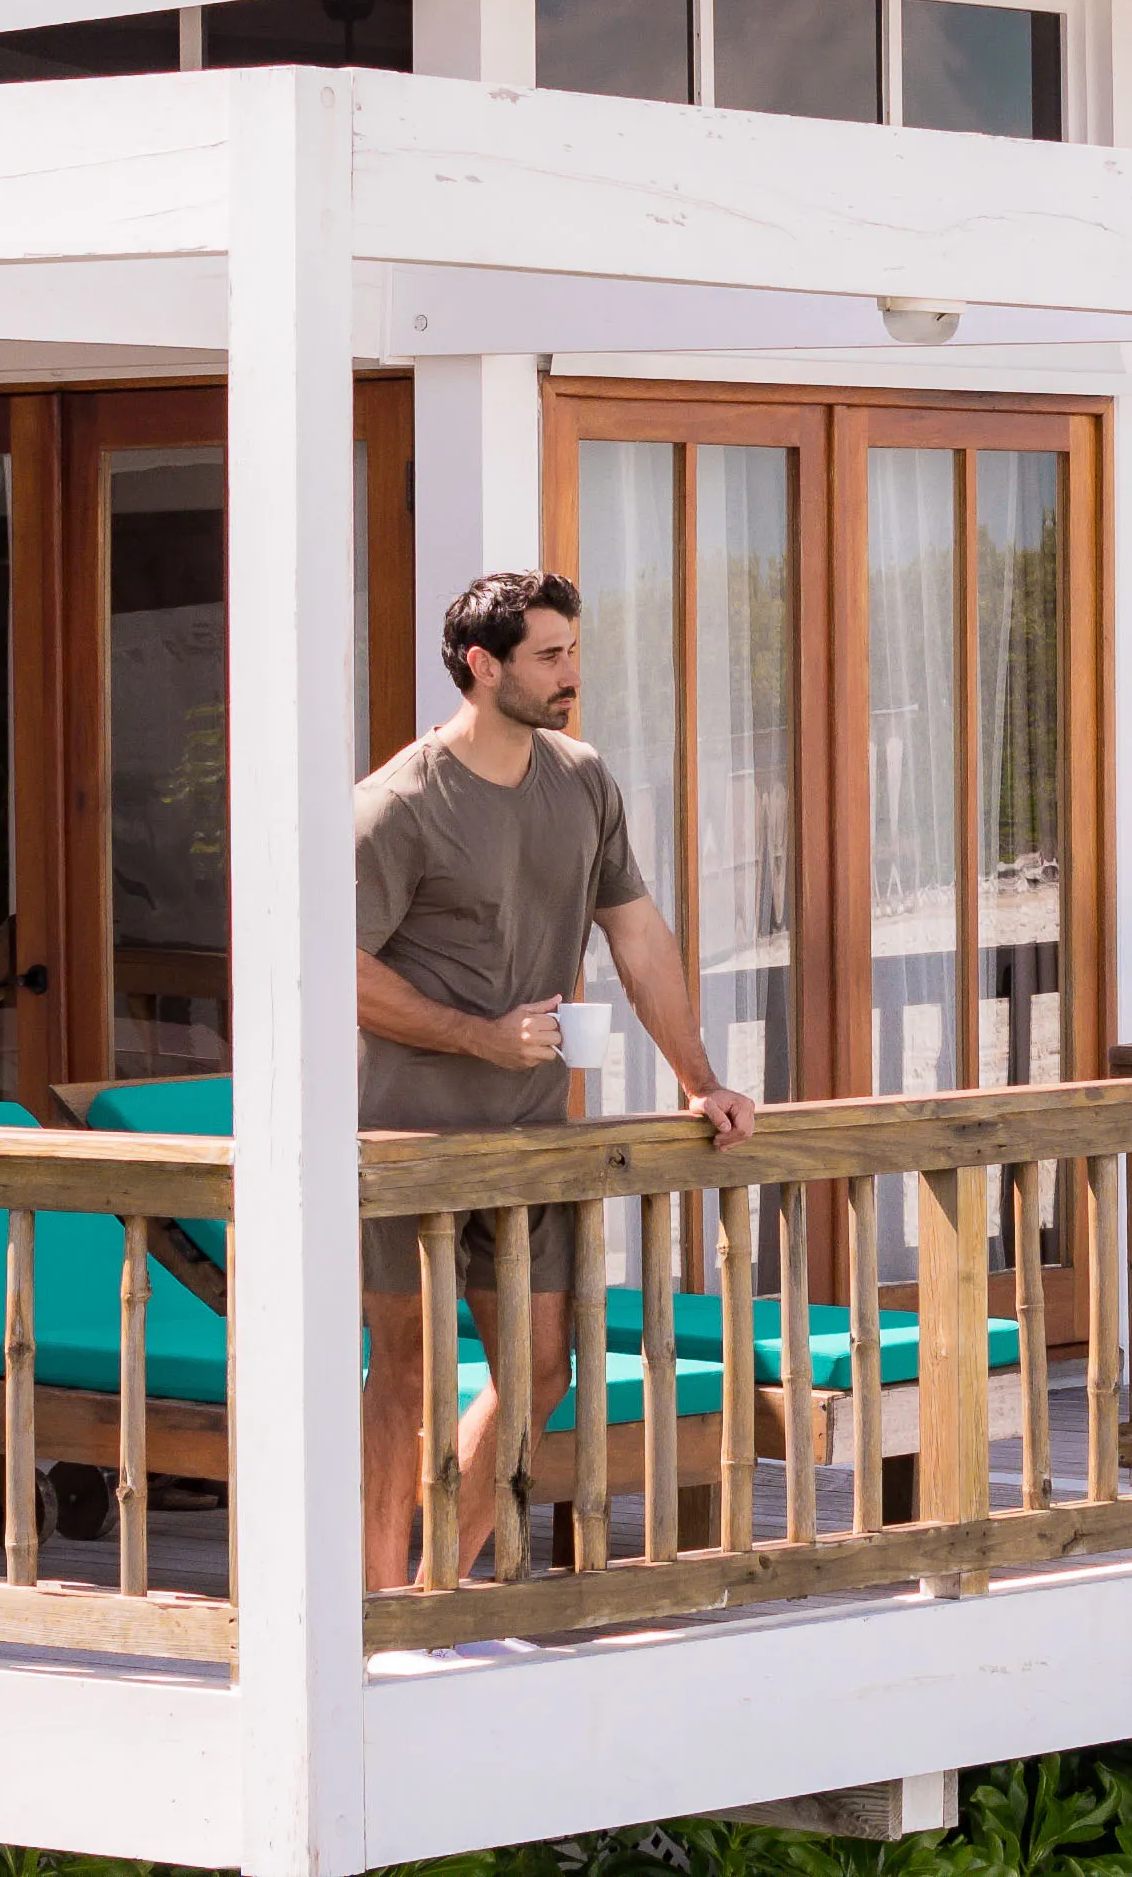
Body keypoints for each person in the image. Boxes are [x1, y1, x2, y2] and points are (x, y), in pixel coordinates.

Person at [356, 569, 757, 1594]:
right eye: (548, 655)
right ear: (483, 667)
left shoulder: (581, 780)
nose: (571, 673)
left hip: (529, 1141)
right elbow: (332, 973)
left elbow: (639, 938)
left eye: (573, 650)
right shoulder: (398, 806)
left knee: (539, 1372)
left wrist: (700, 1080)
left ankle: (432, 1583)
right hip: (404, 1149)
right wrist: (476, 1037)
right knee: (405, 1375)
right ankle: (373, 1598)